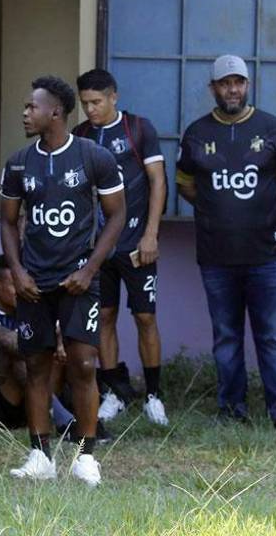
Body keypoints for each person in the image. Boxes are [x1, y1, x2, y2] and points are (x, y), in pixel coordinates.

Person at [0, 76, 126, 487]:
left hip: (78, 280)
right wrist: (18, 272)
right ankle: (40, 455)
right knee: (36, 365)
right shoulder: (19, 162)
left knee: (83, 363)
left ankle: (86, 457)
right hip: (34, 282)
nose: (25, 113)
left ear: (55, 112)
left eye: (31, 107)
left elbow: (117, 215)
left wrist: (89, 270)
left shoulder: (94, 157)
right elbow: (8, 221)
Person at [176, 55, 276, 427]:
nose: (232, 90)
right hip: (216, 257)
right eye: (225, 83)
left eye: (238, 82)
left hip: (266, 255)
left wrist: (262, 214)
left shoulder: (272, 128)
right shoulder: (196, 133)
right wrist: (218, 212)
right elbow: (185, 185)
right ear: (213, 88)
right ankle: (232, 411)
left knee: (271, 337)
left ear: (248, 85)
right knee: (226, 337)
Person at [74, 69, 169, 426]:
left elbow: (158, 182)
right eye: (85, 103)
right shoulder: (81, 135)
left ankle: (154, 396)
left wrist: (151, 234)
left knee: (145, 317)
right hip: (99, 249)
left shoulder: (138, 129)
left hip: (136, 243)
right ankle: (114, 391)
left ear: (113, 97)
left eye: (96, 102)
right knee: (104, 317)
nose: (91, 109)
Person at [0, 255, 78, 436]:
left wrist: (60, 343)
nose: (21, 289)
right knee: (18, 352)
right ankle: (63, 420)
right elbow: (6, 340)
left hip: (16, 397)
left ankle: (74, 412)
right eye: (15, 284)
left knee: (69, 346)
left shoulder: (25, 308)